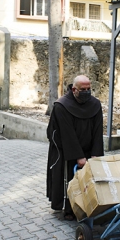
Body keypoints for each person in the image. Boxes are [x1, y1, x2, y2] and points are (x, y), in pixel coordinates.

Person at [46, 75, 104, 221]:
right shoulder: (62, 106)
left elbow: (98, 130)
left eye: (89, 89)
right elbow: (67, 134)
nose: (86, 92)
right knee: (69, 178)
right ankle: (69, 208)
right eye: (82, 89)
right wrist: (78, 156)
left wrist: (96, 154)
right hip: (68, 150)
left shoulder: (95, 104)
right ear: (74, 89)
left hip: (89, 149)